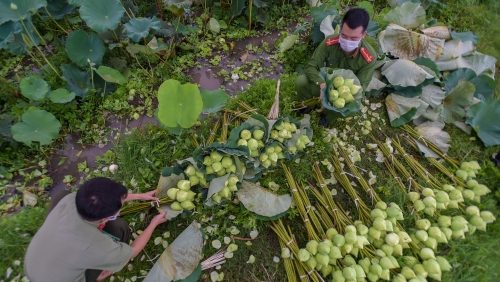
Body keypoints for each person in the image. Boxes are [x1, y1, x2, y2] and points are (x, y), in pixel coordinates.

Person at [24, 177, 168, 282]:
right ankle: (97, 276)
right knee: (120, 228)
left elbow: (109, 197)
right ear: (105, 218)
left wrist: (139, 196)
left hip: (32, 266)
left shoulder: (69, 200)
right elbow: (133, 252)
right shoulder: (98, 246)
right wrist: (154, 223)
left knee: (61, 194)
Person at [295, 8, 377, 125]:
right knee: (301, 82)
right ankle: (307, 106)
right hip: (324, 83)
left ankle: (327, 117)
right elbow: (311, 66)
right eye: (344, 35)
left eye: (354, 38)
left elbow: (361, 88)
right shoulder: (330, 42)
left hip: (343, 93)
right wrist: (322, 84)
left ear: (364, 34)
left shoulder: (368, 57)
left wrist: (339, 95)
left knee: (353, 109)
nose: (347, 41)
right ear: (341, 27)